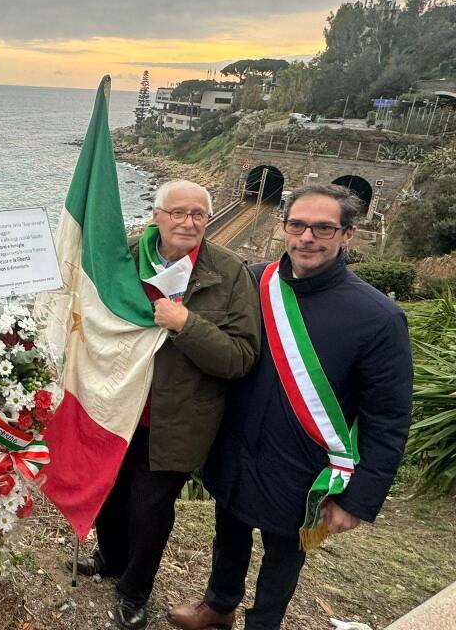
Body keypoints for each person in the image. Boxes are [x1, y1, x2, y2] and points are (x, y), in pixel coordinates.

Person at [169, 184, 413, 630]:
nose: (307, 237)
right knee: (229, 530)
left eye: (324, 227)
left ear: (348, 235)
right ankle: (218, 605)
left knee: (284, 556)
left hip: (305, 465)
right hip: (236, 442)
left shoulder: (378, 317)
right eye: (297, 224)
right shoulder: (253, 280)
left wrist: (357, 499)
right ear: (283, 227)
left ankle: (263, 625)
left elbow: (388, 418)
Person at [71, 179, 261, 630]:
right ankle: (111, 559)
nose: (187, 221)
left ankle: (134, 591)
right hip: (114, 406)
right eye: (177, 212)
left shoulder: (230, 272)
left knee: (150, 509)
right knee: (109, 494)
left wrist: (187, 324)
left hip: (176, 420)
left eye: (197, 214)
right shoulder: (123, 258)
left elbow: (240, 357)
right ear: (156, 215)